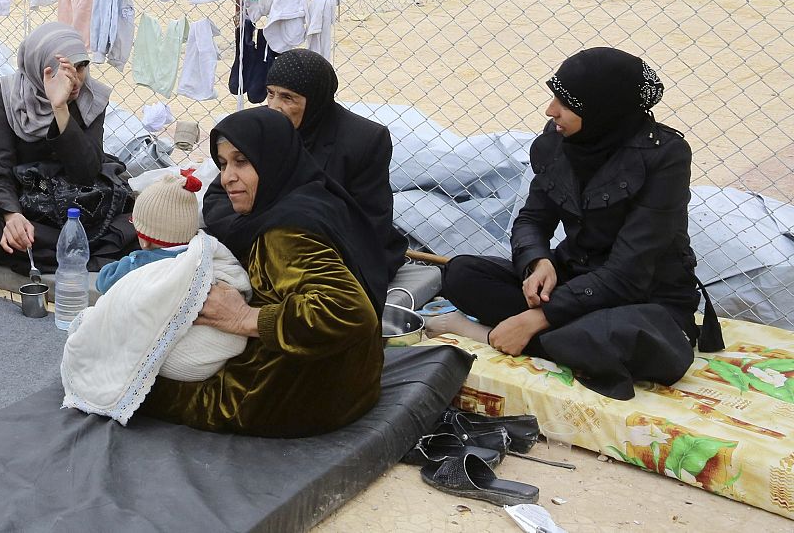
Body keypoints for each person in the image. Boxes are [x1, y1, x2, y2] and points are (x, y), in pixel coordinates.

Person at [437, 48, 722, 399]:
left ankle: (491, 334)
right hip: (576, 280)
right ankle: (560, 342)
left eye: (565, 102)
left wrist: (541, 316)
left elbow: (629, 272)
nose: (550, 110)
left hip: (644, 296)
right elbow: (532, 218)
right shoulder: (559, 140)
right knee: (462, 272)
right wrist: (537, 261)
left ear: (603, 109)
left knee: (629, 336)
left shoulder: (665, 156)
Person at [140, 107, 386, 437]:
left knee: (131, 381)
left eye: (241, 161)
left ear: (271, 159)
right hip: (351, 387)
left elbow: (351, 311)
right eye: (224, 163)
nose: (227, 177)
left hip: (290, 398)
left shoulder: (286, 234)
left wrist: (244, 318)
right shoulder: (313, 196)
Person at [0, 22, 137, 272]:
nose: (75, 79)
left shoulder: (91, 97)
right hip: (29, 206)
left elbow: (86, 172)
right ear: (41, 68)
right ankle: (71, 254)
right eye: (63, 70)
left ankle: (24, 254)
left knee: (130, 228)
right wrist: (12, 216)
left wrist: (60, 109)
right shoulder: (7, 95)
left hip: (81, 207)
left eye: (81, 67)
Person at [253, 49, 411, 287]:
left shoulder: (364, 140)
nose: (274, 106)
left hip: (338, 249)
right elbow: (221, 195)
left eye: (287, 98)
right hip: (269, 240)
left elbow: (369, 224)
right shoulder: (259, 128)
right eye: (270, 94)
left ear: (315, 99)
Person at [95, 168, 204, 294]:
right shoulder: (200, 256)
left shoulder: (139, 264)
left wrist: (126, 261)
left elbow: (103, 282)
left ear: (146, 242)